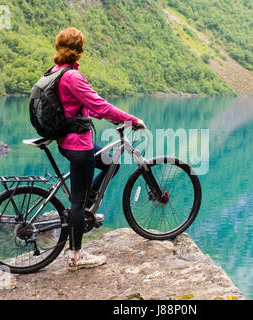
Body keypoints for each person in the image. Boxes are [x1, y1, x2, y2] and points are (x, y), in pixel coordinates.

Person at [51, 27, 146, 271]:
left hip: (68, 140)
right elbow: (100, 105)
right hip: (78, 144)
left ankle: (88, 204)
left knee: (110, 162)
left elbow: (84, 107)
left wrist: (114, 119)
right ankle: (76, 256)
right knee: (78, 202)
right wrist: (131, 119)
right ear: (79, 50)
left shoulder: (57, 72)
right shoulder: (73, 76)